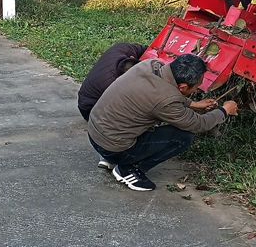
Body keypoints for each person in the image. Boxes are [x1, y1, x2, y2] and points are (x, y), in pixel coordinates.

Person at [88, 54, 238, 192]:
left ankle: (108, 157)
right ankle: (129, 170)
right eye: (197, 86)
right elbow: (199, 124)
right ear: (183, 87)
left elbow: (167, 91)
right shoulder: (166, 101)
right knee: (184, 137)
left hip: (95, 131)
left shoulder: (149, 64)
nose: (197, 88)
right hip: (113, 148)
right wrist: (224, 111)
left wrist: (193, 104)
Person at [78, 42, 147, 169]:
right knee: (134, 119)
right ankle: (107, 156)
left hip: (86, 98)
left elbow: (140, 48)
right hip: (90, 109)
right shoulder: (113, 86)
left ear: (131, 58)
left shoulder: (118, 51)